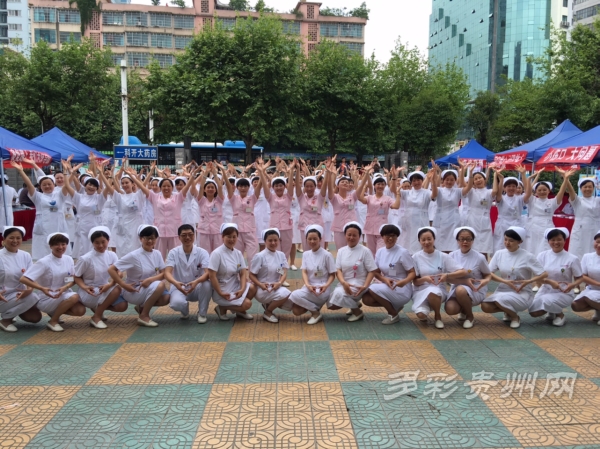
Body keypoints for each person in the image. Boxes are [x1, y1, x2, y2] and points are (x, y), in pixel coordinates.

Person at [482, 226, 547, 329]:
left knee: (500, 300)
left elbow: (544, 274)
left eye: (511, 241)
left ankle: (514, 317)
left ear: (520, 241)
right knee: (485, 306)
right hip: (504, 289)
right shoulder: (499, 254)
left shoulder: (527, 256)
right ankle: (508, 310)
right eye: (505, 239)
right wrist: (505, 281)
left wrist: (529, 281)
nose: (507, 243)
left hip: (521, 291)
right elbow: (489, 273)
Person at [108, 225, 171, 327]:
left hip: (149, 286)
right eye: (147, 238)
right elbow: (111, 269)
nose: (150, 241)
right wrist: (123, 285)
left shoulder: (157, 253)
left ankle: (142, 307)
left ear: (156, 239)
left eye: (152, 238)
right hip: (134, 290)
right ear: (141, 239)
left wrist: (150, 279)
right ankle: (144, 316)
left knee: (166, 298)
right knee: (160, 285)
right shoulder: (134, 255)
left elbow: (164, 273)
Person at [20, 232, 85, 332]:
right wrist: (41, 288)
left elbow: (73, 278)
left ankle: (54, 312)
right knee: (74, 296)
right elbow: (24, 279)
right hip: (47, 297)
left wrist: (65, 287)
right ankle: (53, 321)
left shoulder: (68, 259)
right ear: (50, 246)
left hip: (64, 293)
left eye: (63, 244)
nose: (60, 247)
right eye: (57, 244)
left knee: (80, 311)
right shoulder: (44, 262)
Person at [13, 162, 71, 261]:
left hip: (58, 225)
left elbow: (66, 185)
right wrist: (21, 171)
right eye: (44, 185)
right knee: (43, 251)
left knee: (60, 248)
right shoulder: (37, 197)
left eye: (49, 184)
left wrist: (66, 171)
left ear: (54, 184)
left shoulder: (60, 195)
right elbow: (29, 185)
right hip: (43, 226)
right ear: (40, 186)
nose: (47, 186)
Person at [411, 227, 467, 329]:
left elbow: (463, 271)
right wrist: (425, 279)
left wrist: (447, 275)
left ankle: (437, 316)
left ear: (434, 239)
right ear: (419, 241)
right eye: (423, 240)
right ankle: (428, 306)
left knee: (433, 292)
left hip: (437, 289)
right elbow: (415, 282)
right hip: (421, 289)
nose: (426, 242)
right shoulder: (415, 257)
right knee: (421, 315)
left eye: (429, 239)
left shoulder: (442, 256)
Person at [360, 224, 416, 325]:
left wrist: (404, 282)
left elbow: (412, 272)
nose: (390, 238)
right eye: (387, 235)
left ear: (397, 237)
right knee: (366, 299)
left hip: (401, 287)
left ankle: (393, 314)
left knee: (373, 288)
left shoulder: (402, 252)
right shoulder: (380, 252)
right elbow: (376, 272)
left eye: (393, 236)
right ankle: (394, 306)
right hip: (386, 284)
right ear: (382, 236)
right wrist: (385, 279)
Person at [74, 226, 127, 329]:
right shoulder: (86, 259)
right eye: (97, 243)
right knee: (117, 289)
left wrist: (110, 285)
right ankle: (96, 317)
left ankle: (98, 309)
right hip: (90, 291)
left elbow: (119, 273)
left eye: (103, 242)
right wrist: (84, 287)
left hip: (106, 288)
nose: (101, 245)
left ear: (108, 240)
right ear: (92, 243)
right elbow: (76, 276)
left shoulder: (112, 255)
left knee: (122, 306)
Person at [529, 227, 583, 327]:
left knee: (545, 300)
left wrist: (573, 285)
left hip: (564, 291)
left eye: (559, 239)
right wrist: (550, 282)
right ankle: (552, 311)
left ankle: (560, 315)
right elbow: (537, 276)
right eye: (552, 240)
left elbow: (580, 278)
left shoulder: (572, 258)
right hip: (545, 289)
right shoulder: (542, 256)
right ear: (548, 241)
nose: (556, 242)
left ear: (564, 241)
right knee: (533, 312)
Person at [327, 222, 378, 322]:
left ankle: (357, 312)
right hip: (345, 283)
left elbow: (372, 271)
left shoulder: (365, 251)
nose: (351, 237)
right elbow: (338, 270)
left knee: (338, 295)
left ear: (359, 236)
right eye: (349, 235)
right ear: (345, 235)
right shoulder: (341, 251)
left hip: (359, 284)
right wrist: (343, 283)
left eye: (354, 235)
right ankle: (354, 304)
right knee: (331, 305)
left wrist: (365, 286)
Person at [164, 224, 212, 323]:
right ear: (179, 237)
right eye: (184, 235)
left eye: (190, 234)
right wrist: (175, 283)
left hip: (197, 286)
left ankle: (202, 313)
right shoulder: (173, 252)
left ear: (195, 235)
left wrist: (196, 282)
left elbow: (208, 273)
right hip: (179, 286)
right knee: (176, 304)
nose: (187, 237)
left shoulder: (202, 252)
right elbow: (167, 272)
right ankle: (184, 310)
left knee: (207, 284)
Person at [446, 227, 492, 329]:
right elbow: (446, 278)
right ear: (457, 240)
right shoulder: (451, 255)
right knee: (450, 309)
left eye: (468, 239)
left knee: (461, 290)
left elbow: (488, 274)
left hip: (475, 288)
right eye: (462, 239)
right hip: (456, 288)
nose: (465, 242)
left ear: (473, 240)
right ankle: (463, 309)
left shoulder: (479, 257)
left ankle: (470, 316)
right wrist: (464, 281)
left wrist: (485, 281)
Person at [289, 225, 336, 325]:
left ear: (320, 239)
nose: (312, 241)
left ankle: (315, 313)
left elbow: (332, 274)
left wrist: (325, 286)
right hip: (309, 287)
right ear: (306, 240)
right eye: (309, 239)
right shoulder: (306, 254)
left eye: (315, 239)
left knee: (294, 295)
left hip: (322, 288)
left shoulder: (327, 255)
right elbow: (304, 271)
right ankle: (315, 308)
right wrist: (307, 285)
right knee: (296, 310)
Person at [208, 223, 253, 321]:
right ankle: (222, 308)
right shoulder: (216, 253)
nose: (232, 239)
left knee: (253, 288)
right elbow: (212, 276)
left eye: (234, 237)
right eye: (228, 236)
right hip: (222, 288)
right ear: (222, 237)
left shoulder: (238, 253)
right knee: (247, 304)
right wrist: (220, 292)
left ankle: (240, 311)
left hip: (235, 286)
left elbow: (242, 273)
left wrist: (242, 289)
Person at [0, 226, 41, 332]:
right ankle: (6, 320)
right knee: (33, 297)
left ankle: (11, 312)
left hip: (19, 294)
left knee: (35, 317)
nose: (15, 241)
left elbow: (31, 276)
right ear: (4, 239)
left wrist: (29, 289)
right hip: (2, 295)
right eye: (11, 238)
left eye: (18, 238)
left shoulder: (25, 255)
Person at [247, 228, 292, 323]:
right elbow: (251, 275)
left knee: (290, 303)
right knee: (285, 294)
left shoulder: (281, 255)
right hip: (262, 288)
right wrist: (260, 284)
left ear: (279, 240)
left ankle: (268, 304)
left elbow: (283, 271)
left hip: (276, 286)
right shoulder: (259, 256)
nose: (273, 243)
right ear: (265, 241)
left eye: (275, 240)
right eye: (270, 240)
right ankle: (268, 312)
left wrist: (279, 283)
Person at [523, 168, 571, 257]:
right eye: (539, 190)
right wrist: (528, 179)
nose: (542, 192)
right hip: (533, 226)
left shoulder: (552, 202)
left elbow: (561, 192)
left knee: (545, 247)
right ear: (536, 191)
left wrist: (566, 179)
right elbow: (527, 190)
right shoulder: (532, 200)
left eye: (544, 190)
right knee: (531, 247)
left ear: (549, 191)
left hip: (547, 226)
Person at [357, 166, 401, 255]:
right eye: (378, 184)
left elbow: (396, 206)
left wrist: (398, 194)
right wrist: (364, 185)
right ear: (374, 186)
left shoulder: (388, 198)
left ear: (385, 186)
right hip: (370, 227)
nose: (380, 186)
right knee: (371, 251)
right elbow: (360, 198)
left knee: (380, 250)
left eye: (382, 184)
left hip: (382, 228)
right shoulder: (369, 197)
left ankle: (381, 264)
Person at [258, 160, 294, 260]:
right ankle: (276, 269)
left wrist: (291, 171)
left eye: (281, 185)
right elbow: (265, 186)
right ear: (273, 187)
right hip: (274, 228)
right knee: (275, 250)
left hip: (287, 228)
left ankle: (283, 268)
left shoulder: (288, 196)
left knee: (286, 251)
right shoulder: (270, 197)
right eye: (276, 186)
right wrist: (261, 172)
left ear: (284, 186)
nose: (278, 188)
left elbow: (291, 184)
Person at [224, 176, 262, 263]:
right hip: (237, 231)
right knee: (237, 255)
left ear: (249, 187)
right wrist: (224, 173)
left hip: (250, 230)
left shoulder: (252, 198)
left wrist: (262, 173)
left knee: (252, 256)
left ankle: (252, 272)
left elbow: (259, 186)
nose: (243, 188)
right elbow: (228, 186)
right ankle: (238, 271)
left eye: (245, 186)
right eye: (241, 186)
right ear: (237, 187)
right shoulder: (233, 198)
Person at [399, 170, 437, 255]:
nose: (416, 182)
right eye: (414, 181)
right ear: (411, 182)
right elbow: (395, 191)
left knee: (420, 237)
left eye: (418, 180)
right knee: (408, 239)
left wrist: (433, 181)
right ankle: (408, 257)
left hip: (421, 220)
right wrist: (394, 177)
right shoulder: (407, 193)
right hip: (408, 220)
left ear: (422, 180)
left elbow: (434, 195)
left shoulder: (426, 192)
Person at [563, 173, 600, 260]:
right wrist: (566, 179)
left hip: (596, 228)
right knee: (579, 250)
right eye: (585, 187)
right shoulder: (577, 200)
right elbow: (571, 191)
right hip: (580, 229)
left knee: (594, 249)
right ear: (580, 188)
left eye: (590, 187)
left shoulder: (597, 200)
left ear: (593, 188)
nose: (587, 189)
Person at [461, 167, 495, 257]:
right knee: (472, 246)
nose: (478, 180)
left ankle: (484, 265)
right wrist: (470, 171)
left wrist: (495, 175)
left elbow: (495, 190)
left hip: (485, 221)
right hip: (472, 220)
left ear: (484, 179)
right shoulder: (471, 191)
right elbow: (463, 183)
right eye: (475, 179)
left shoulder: (489, 192)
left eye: (480, 178)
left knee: (484, 248)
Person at [110, 174, 145, 257]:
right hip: (123, 224)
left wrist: (131, 175)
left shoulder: (138, 195)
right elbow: (109, 188)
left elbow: (143, 186)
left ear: (132, 184)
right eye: (122, 183)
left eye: (127, 183)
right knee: (122, 246)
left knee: (135, 245)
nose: (124, 185)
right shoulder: (120, 197)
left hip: (136, 224)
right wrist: (112, 177)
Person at [295, 163, 328, 252]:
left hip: (318, 227)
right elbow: (297, 185)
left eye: (311, 186)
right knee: (306, 251)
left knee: (320, 250)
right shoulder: (301, 197)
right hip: (304, 227)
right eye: (307, 186)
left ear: (315, 186)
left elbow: (325, 185)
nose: (309, 188)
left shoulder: (320, 197)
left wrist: (327, 171)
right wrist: (298, 169)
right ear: (304, 187)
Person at [194, 164, 225, 253]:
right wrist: (206, 173)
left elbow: (220, 186)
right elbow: (200, 187)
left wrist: (214, 173)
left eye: (212, 187)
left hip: (217, 231)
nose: (210, 189)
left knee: (217, 252)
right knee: (205, 252)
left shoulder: (219, 200)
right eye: (208, 187)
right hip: (204, 231)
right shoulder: (201, 200)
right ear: (205, 190)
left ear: (215, 190)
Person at [493, 170, 525, 253]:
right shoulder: (501, 198)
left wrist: (523, 174)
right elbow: (498, 193)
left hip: (516, 223)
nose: (511, 188)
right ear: (504, 188)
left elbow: (528, 193)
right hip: (502, 224)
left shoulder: (520, 199)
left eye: (514, 186)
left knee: (515, 243)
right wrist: (501, 180)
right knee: (501, 244)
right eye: (509, 186)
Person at [572, 230, 600, 324]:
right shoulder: (587, 256)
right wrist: (598, 284)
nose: (599, 245)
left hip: (593, 292)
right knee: (575, 305)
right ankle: (598, 310)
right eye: (597, 242)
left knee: (589, 297)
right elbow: (583, 276)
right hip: (592, 288)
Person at [433, 169, 462, 253]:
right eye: (447, 179)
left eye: (452, 180)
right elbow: (434, 192)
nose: (449, 182)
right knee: (440, 242)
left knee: (453, 241)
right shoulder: (439, 190)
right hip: (440, 218)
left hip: (454, 219)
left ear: (455, 181)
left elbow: (468, 187)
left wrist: (464, 171)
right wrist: (434, 178)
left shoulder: (458, 191)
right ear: (443, 180)